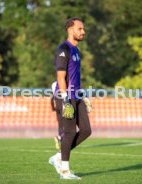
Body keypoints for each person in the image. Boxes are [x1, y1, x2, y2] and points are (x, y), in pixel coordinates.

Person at [48, 17, 92, 180]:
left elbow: (75, 77)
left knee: (86, 131)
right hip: (65, 96)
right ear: (70, 29)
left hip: (77, 96)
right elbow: (61, 78)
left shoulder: (77, 51)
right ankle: (65, 171)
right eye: (80, 29)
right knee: (69, 133)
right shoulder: (63, 49)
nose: (83, 32)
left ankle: (58, 156)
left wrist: (83, 95)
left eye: (83, 29)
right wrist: (66, 99)